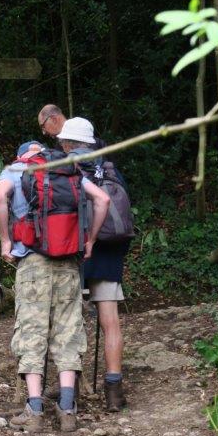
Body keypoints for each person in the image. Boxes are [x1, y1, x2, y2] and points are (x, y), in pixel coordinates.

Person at [0, 129, 110, 433]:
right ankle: (68, 408)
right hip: (68, 261)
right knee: (68, 328)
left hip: (32, 261)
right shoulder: (67, 169)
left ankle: (34, 410)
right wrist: (89, 241)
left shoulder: (16, 169)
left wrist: (6, 241)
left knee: (32, 329)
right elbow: (101, 199)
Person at [61, 117, 130, 412]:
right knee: (110, 320)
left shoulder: (64, 169)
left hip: (74, 249)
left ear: (67, 143)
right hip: (109, 250)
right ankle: (113, 389)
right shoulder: (110, 167)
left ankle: (70, 388)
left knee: (69, 320)